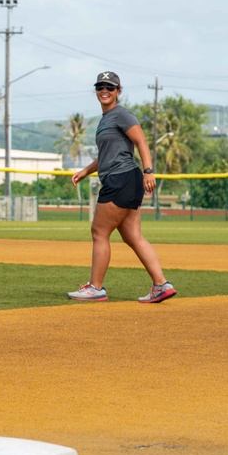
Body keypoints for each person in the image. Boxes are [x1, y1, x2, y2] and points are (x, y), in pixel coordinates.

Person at [67, 71, 177, 304]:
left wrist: (149, 171)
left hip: (122, 178)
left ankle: (95, 288)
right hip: (125, 179)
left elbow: (141, 141)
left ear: (118, 91)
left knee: (99, 232)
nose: (104, 90)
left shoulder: (121, 115)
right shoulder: (105, 120)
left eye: (110, 87)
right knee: (133, 236)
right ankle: (161, 285)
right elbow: (106, 155)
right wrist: (86, 171)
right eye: (100, 86)